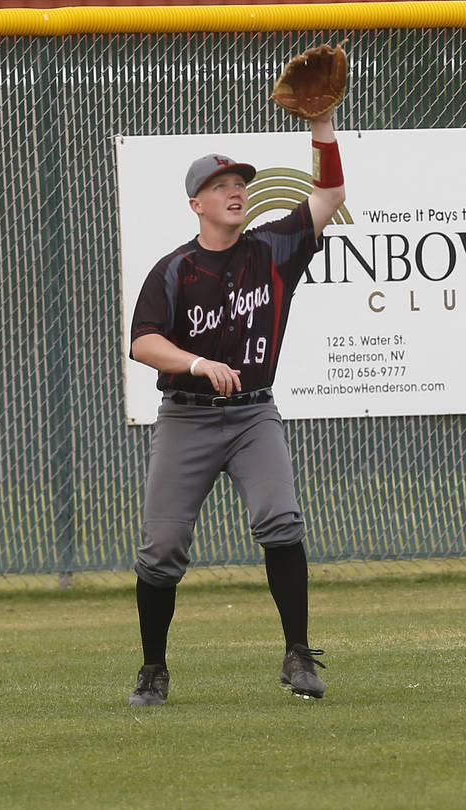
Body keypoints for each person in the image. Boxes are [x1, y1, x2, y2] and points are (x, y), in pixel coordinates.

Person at [127, 106, 345, 706]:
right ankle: (153, 668)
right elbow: (143, 342)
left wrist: (322, 126)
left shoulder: (272, 249)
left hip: (253, 415)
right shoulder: (173, 270)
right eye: (219, 186)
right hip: (186, 416)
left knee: (281, 519)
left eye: (240, 185)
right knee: (162, 548)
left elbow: (330, 194)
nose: (235, 192)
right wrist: (197, 363)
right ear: (196, 203)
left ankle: (298, 653)